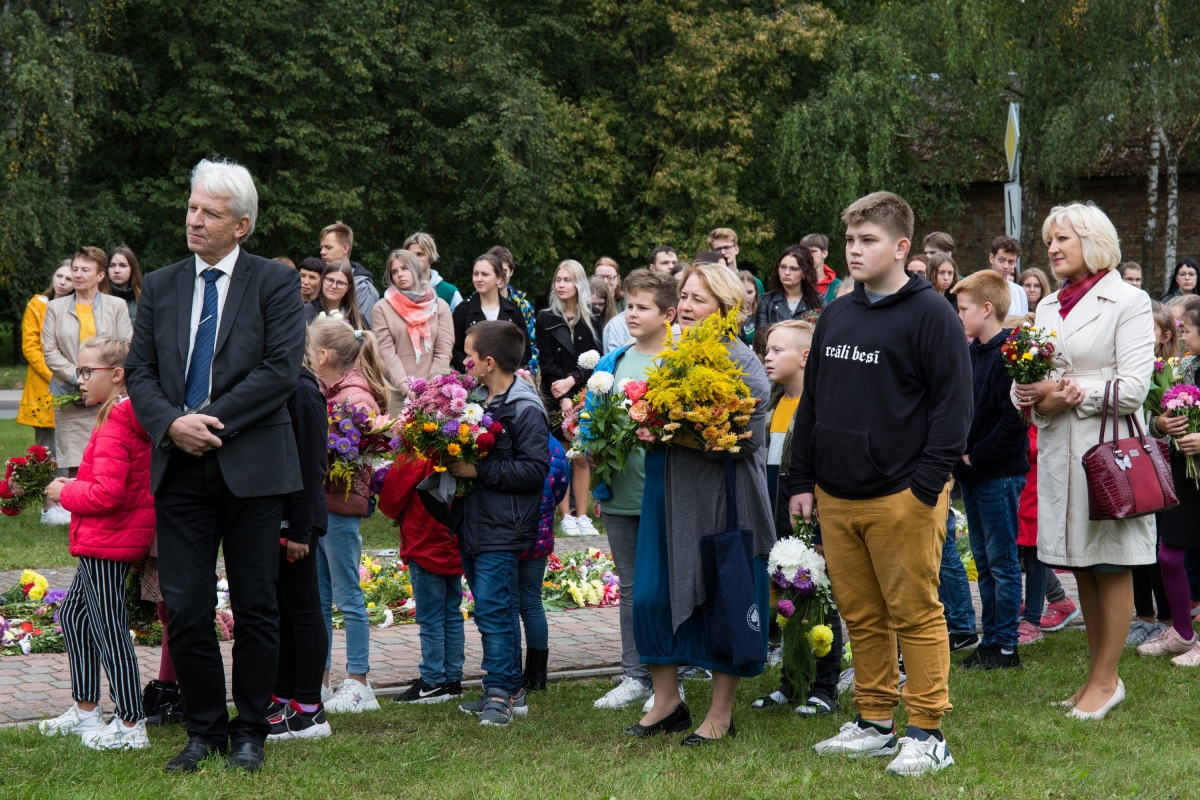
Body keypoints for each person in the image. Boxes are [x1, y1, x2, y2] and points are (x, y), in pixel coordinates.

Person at [124, 157, 306, 773]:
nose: (194, 220)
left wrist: (207, 419)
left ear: (242, 226)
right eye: (192, 208)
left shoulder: (274, 284)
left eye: (210, 212)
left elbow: (279, 371)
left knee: (256, 604)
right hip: (180, 467)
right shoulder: (166, 284)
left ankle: (251, 729)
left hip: (252, 468)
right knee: (188, 605)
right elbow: (140, 372)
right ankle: (205, 729)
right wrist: (172, 424)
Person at [788, 192, 971, 776]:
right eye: (849, 241)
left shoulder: (932, 314)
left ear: (900, 247)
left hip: (903, 494)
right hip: (837, 494)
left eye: (867, 240)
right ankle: (873, 722)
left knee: (915, 613)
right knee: (862, 616)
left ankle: (927, 732)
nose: (854, 251)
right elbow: (812, 400)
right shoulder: (839, 312)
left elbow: (952, 409)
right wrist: (801, 477)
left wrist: (924, 487)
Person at [1013, 201, 1155, 721]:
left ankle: (1107, 680)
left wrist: (1069, 392)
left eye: (1063, 240)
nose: (1051, 249)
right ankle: (1096, 676)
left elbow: (1135, 388)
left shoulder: (1130, 301)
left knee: (1111, 563)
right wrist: (1026, 394)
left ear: (1092, 242)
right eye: (1049, 241)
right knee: (1084, 565)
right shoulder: (1049, 305)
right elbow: (1028, 376)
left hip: (1108, 450)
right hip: (1058, 451)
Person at [626, 263, 772, 745]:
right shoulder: (674, 354)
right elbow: (655, 418)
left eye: (697, 299)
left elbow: (747, 439)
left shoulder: (743, 361)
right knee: (651, 593)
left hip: (722, 499)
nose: (685, 306)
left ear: (725, 309)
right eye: (684, 296)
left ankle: (721, 714)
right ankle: (668, 702)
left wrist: (685, 433)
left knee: (722, 597)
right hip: (667, 494)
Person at [39, 335, 154, 749]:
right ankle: (87, 711)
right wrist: (78, 483)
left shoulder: (119, 423)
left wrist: (62, 493)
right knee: (73, 618)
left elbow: (108, 496)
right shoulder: (120, 417)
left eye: (87, 372)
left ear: (118, 374)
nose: (79, 379)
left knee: (109, 629)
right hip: (104, 538)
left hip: (109, 541)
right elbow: (110, 482)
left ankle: (130, 723)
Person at [449, 320, 550, 727]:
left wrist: (478, 472)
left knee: (497, 608)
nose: (464, 361)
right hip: (474, 522)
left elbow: (533, 471)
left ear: (488, 363)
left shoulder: (524, 407)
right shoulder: (477, 398)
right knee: (490, 607)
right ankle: (510, 687)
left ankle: (501, 692)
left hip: (503, 526)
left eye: (469, 356)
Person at [588, 270, 678, 711]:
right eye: (629, 305)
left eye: (643, 307)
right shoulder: (615, 361)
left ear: (669, 314)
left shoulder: (680, 362)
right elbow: (592, 421)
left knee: (666, 585)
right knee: (630, 585)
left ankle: (670, 674)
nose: (632, 314)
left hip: (668, 491)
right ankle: (634, 675)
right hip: (621, 492)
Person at [753, 320, 844, 717]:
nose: (766, 357)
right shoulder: (771, 404)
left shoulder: (820, 404)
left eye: (776, 350)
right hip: (776, 514)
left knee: (819, 599)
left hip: (809, 515)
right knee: (787, 602)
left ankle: (825, 687)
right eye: (766, 350)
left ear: (806, 357)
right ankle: (792, 681)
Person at [308, 319, 391, 713]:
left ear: (323, 356)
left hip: (340, 507)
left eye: (310, 352)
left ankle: (359, 681)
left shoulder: (353, 397)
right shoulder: (333, 391)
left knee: (347, 596)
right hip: (325, 504)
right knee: (321, 596)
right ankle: (320, 679)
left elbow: (345, 454)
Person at [950, 271, 1030, 668]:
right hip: (973, 472)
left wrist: (975, 456)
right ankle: (991, 639)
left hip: (996, 473)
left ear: (986, 308)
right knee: (983, 559)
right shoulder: (971, 353)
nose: (958, 315)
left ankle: (1005, 645)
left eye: (963, 308)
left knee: (1001, 562)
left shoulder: (1009, 353)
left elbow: (1013, 420)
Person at [265, 364, 332, 740]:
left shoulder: (303, 390)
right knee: (284, 613)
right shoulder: (277, 378)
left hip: (296, 521)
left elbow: (311, 464)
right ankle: (284, 695)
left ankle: (309, 708)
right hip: (278, 516)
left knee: (304, 611)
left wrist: (299, 529)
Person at [42, 248, 133, 511]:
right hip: (69, 391)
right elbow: (50, 351)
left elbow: (126, 344)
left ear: (100, 275)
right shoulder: (56, 308)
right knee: (72, 452)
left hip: (110, 392)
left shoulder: (116, 305)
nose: (77, 275)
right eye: (75, 268)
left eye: (85, 270)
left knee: (109, 450)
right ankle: (68, 505)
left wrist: (100, 381)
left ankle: (104, 501)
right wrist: (80, 378)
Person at [379, 454, 466, 706]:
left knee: (430, 618)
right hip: (453, 540)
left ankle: (432, 682)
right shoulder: (463, 445)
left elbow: (392, 500)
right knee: (451, 612)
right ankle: (452, 679)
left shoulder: (417, 451)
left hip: (424, 540)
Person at [1142, 297, 1200, 665]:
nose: (1182, 334)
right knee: (1168, 555)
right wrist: (1160, 423)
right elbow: (1161, 414)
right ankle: (1182, 632)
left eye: (1188, 330)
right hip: (1185, 474)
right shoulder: (1184, 367)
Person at [1126, 302, 1179, 647]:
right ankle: (1142, 617)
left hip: (1158, 468)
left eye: (1150, 328)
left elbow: (1170, 420)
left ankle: (1167, 618)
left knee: (1156, 544)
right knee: (1133, 548)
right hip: (1129, 463)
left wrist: (1157, 424)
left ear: (1164, 337)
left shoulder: (1168, 372)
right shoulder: (1132, 365)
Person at [536, 259, 599, 536]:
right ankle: (565, 515)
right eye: (558, 280)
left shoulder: (593, 317)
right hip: (555, 395)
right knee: (561, 454)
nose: (561, 285)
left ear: (579, 284)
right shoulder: (546, 318)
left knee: (582, 455)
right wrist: (561, 396)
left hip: (583, 393)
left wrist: (573, 381)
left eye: (567, 280)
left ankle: (583, 514)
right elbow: (546, 362)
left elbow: (595, 359)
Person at [20, 261, 73, 521]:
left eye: (69, 278)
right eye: (59, 275)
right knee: (46, 449)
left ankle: (68, 503)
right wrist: (56, 374)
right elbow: (30, 347)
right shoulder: (37, 305)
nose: (63, 281)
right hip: (44, 388)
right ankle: (48, 507)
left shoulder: (78, 308)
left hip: (72, 389)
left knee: (70, 447)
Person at [372, 248, 453, 413]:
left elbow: (444, 351)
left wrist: (430, 387)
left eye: (405, 268)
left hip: (434, 391)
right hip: (396, 391)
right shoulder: (382, 307)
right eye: (394, 271)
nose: (400, 274)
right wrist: (405, 387)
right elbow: (386, 352)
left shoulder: (440, 306)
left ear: (416, 269)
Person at [518, 435, 569, 692]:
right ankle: (537, 676)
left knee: (506, 605)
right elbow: (560, 489)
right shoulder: (555, 445)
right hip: (540, 533)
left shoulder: (509, 435)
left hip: (507, 533)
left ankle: (511, 672)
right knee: (532, 602)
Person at [451, 253, 531, 372]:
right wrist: (474, 373)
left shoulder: (513, 311)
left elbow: (524, 349)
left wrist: (506, 375)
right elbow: (455, 350)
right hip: (473, 383)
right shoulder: (463, 310)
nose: (478, 279)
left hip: (507, 383)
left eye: (485, 274)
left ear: (499, 278)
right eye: (476, 274)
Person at [488, 245, 540, 374]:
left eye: (504, 270)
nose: (500, 275)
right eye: (496, 269)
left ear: (511, 271)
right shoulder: (473, 305)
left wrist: (528, 376)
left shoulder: (524, 307)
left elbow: (533, 346)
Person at [319, 221, 378, 327]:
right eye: (321, 248)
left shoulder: (362, 287)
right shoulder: (320, 278)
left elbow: (364, 330)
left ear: (345, 248)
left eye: (328, 247)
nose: (322, 252)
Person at [756, 246, 822, 335]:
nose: (786, 272)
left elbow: (825, 336)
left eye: (793, 269)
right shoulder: (767, 301)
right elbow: (760, 340)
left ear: (804, 273)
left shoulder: (818, 301)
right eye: (783, 267)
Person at [405, 232, 462, 311]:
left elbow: (461, 323)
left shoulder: (449, 293)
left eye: (420, 254)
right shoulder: (396, 291)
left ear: (431, 257)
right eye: (410, 255)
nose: (414, 259)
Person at [305, 260, 366, 329]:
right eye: (330, 280)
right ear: (322, 281)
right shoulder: (306, 312)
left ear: (348, 287)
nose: (334, 286)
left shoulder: (358, 320)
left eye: (340, 283)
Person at [707, 227, 765, 294]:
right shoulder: (710, 283)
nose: (722, 252)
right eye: (718, 249)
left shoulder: (754, 283)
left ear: (736, 250)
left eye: (727, 247)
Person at [988, 235, 1029, 316]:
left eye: (1011, 262)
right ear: (992, 258)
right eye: (1001, 260)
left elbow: (1024, 323)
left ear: (1016, 262)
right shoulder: (977, 289)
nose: (1005, 266)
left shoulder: (1019, 292)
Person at [106, 246, 143, 327]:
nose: (116, 270)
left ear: (132, 268)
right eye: (112, 265)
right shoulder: (97, 298)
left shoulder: (144, 299)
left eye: (123, 265)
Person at [800, 233, 842, 305]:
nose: (808, 255)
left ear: (824, 253)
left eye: (813, 251)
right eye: (805, 252)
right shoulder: (796, 283)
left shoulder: (838, 286)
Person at [739, 270, 760, 349]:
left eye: (750, 292)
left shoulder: (763, 313)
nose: (746, 297)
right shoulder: (727, 316)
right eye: (742, 292)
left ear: (756, 292)